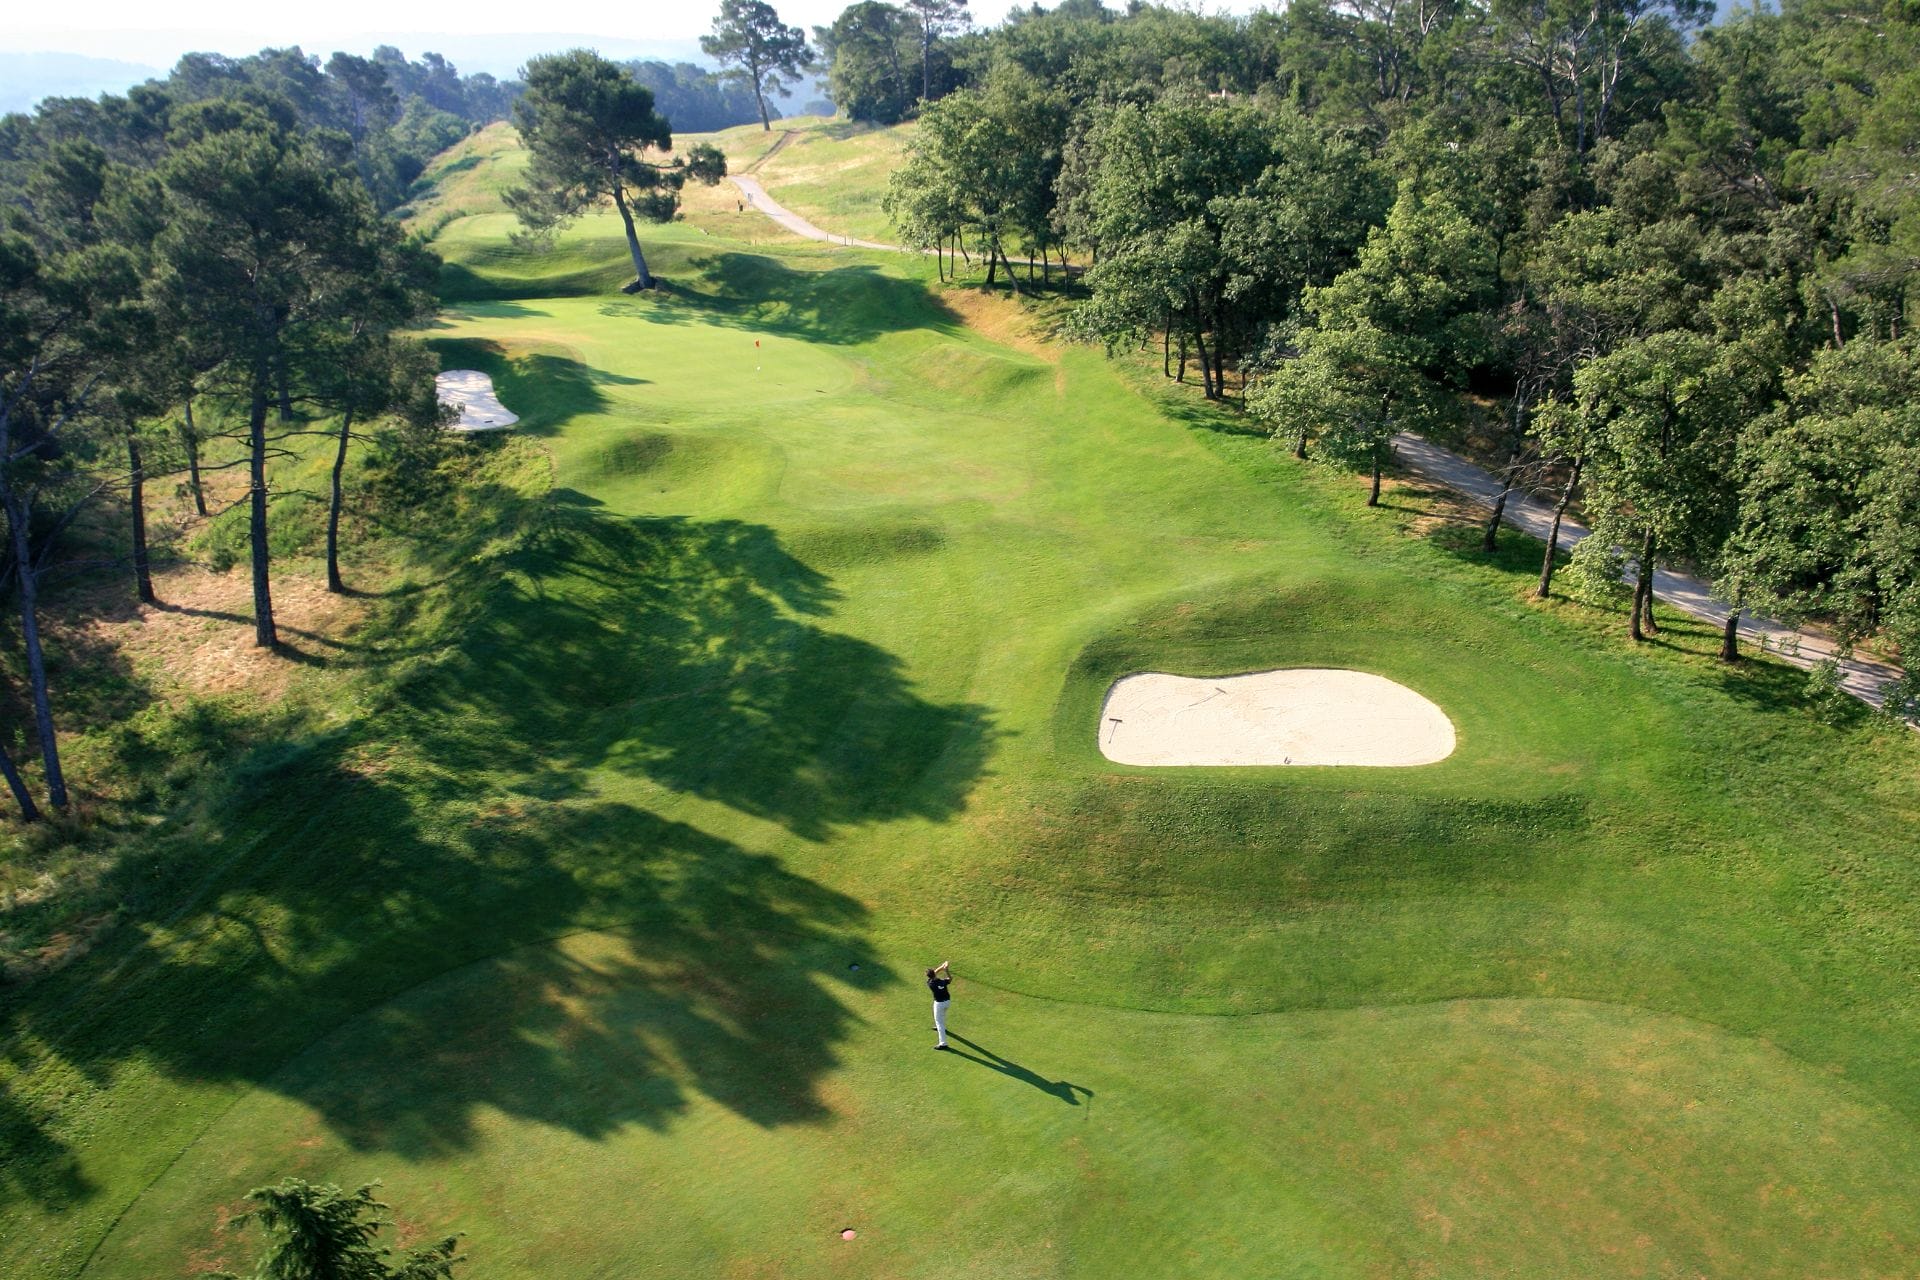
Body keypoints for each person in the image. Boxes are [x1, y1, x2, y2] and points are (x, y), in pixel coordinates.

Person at [927, 961, 952, 1050]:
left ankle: (943, 1043)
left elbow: (934, 973)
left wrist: (941, 967)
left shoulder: (930, 983)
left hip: (939, 1003)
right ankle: (940, 1027)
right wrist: (945, 969)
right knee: (942, 1016)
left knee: (939, 1022)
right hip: (947, 1002)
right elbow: (950, 978)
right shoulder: (942, 981)